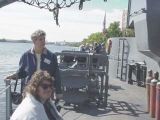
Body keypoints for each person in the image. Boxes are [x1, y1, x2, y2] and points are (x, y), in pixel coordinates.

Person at [6, 29, 62, 99]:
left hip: (45, 90)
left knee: (44, 109)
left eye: (44, 39)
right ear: (34, 41)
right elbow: (22, 72)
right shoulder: (26, 55)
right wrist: (13, 76)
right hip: (29, 90)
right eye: (40, 39)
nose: (43, 41)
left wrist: (58, 92)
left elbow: (56, 75)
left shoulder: (51, 56)